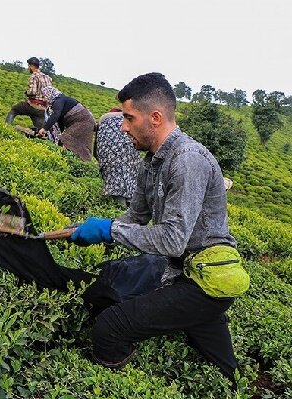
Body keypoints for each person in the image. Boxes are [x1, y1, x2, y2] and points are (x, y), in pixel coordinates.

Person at [69, 72, 240, 382]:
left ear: (156, 117)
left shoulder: (188, 161)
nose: (122, 126)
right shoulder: (152, 162)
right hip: (181, 271)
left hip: (205, 282)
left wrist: (109, 230)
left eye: (129, 118)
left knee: (111, 327)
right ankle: (230, 378)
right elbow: (134, 217)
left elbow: (173, 239)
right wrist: (83, 228)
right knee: (220, 365)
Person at [94, 108, 141, 206]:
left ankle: (119, 208)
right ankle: (131, 205)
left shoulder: (104, 122)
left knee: (115, 180)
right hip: (130, 151)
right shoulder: (128, 120)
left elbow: (96, 146)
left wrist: (98, 158)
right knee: (131, 176)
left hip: (108, 152)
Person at [38, 86, 96, 161]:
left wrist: (44, 129)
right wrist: (54, 134)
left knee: (66, 139)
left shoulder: (59, 100)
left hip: (83, 121)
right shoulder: (56, 103)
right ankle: (76, 161)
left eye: (44, 96)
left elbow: (55, 115)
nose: (44, 99)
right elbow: (60, 122)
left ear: (49, 94)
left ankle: (66, 160)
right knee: (72, 142)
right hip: (83, 122)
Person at [5, 57, 52, 131]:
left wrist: (27, 93)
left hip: (33, 105)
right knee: (41, 130)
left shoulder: (34, 76)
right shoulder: (48, 78)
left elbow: (32, 92)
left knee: (14, 110)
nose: (28, 68)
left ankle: (6, 127)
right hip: (42, 109)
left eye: (29, 66)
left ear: (32, 66)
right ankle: (29, 132)